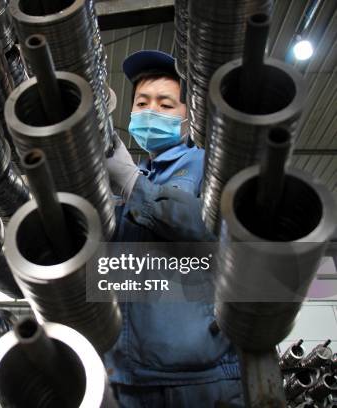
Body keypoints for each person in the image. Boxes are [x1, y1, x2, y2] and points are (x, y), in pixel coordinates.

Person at [104, 50, 243, 407]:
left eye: (165, 105)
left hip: (198, 378)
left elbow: (221, 232)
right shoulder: (131, 178)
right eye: (142, 103)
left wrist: (135, 187)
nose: (151, 112)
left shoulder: (207, 164)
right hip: (128, 377)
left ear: (187, 116)